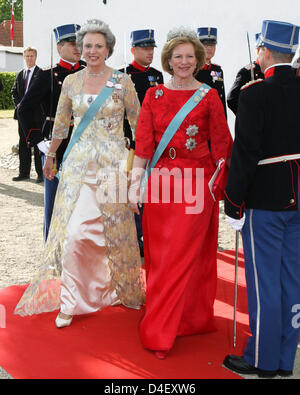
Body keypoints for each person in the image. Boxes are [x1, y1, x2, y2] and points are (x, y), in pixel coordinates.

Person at [14, 19, 144, 328]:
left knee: (114, 232)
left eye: (99, 45)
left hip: (113, 167)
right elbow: (60, 123)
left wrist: (140, 165)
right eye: (87, 45)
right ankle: (71, 301)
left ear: (108, 49)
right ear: (80, 49)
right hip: (78, 167)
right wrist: (50, 156)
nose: (93, 50)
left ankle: (116, 289)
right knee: (74, 235)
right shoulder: (71, 82)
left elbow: (139, 125)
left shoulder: (123, 82)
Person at [128, 27, 232, 359]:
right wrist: (134, 185)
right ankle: (180, 319)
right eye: (178, 56)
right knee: (160, 257)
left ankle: (162, 331)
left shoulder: (209, 96)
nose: (184, 62)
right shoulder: (154, 95)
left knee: (181, 257)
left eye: (190, 56)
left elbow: (222, 144)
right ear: (168, 60)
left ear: (198, 59)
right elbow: (143, 145)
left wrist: (222, 184)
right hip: (160, 183)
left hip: (196, 185)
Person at [223, 20, 300, 378]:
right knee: (292, 280)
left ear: (264, 52)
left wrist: (232, 201)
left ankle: (262, 359)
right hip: (297, 198)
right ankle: (285, 360)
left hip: (265, 201)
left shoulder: (254, 94)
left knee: (264, 281)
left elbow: (245, 154)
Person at [17, 24, 85, 241]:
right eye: (73, 43)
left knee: (84, 201)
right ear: (59, 47)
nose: (78, 48)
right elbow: (24, 108)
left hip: (85, 143)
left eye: (80, 43)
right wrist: (38, 141)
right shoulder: (48, 75)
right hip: (58, 144)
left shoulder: (90, 72)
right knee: (55, 201)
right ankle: (52, 248)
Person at [119, 29, 164, 258]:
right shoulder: (121, 75)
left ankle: (150, 236)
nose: (150, 52)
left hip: (155, 145)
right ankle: (134, 238)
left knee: (153, 194)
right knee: (131, 194)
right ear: (133, 50)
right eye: (145, 48)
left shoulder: (158, 75)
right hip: (132, 146)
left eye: (152, 48)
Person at [11, 47, 44, 183]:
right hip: (22, 116)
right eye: (27, 56)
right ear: (24, 57)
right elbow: (14, 91)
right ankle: (23, 173)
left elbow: (43, 94)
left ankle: (40, 174)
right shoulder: (21, 74)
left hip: (36, 116)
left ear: (35, 57)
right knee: (23, 144)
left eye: (31, 56)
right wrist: (18, 105)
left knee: (37, 144)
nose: (29, 58)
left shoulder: (41, 73)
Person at [227, 33, 265, 115]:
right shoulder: (246, 72)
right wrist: (245, 115)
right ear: (258, 51)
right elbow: (232, 98)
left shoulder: (273, 71)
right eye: (264, 50)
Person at [195, 27, 227, 118]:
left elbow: (222, 100)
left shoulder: (217, 70)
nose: (209, 48)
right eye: (205, 45)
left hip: (216, 119)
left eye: (212, 45)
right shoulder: (191, 70)